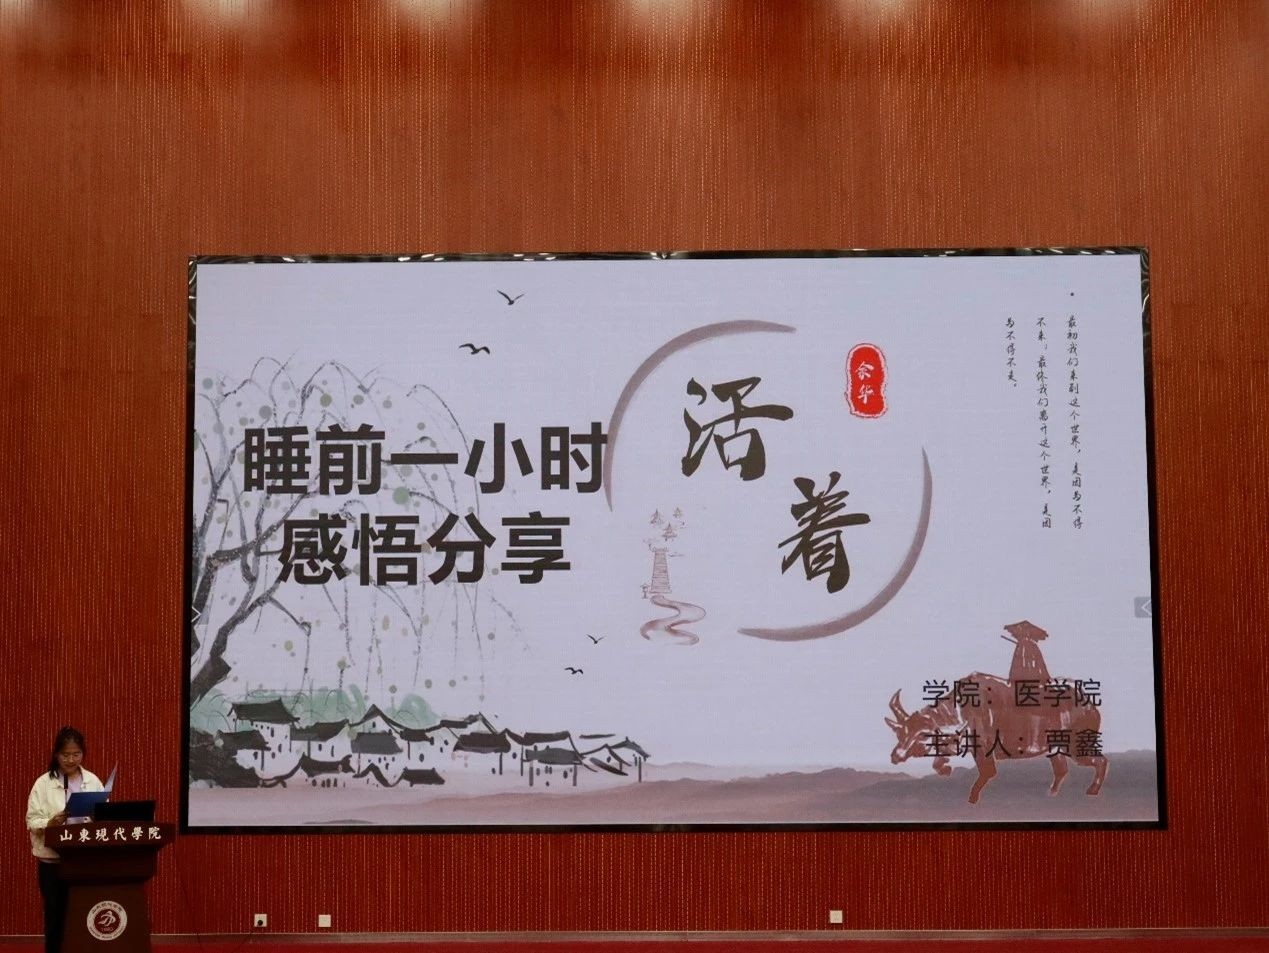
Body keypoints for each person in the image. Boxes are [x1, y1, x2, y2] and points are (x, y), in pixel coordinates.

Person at [26, 727, 104, 953]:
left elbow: (105, 815)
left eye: (76, 754)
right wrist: (50, 823)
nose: (71, 760)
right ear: (56, 754)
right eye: (65, 754)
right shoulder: (43, 783)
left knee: (83, 915)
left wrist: (97, 817)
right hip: (52, 863)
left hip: (82, 860)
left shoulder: (92, 781)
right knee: (55, 917)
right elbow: (31, 821)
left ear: (83, 753)